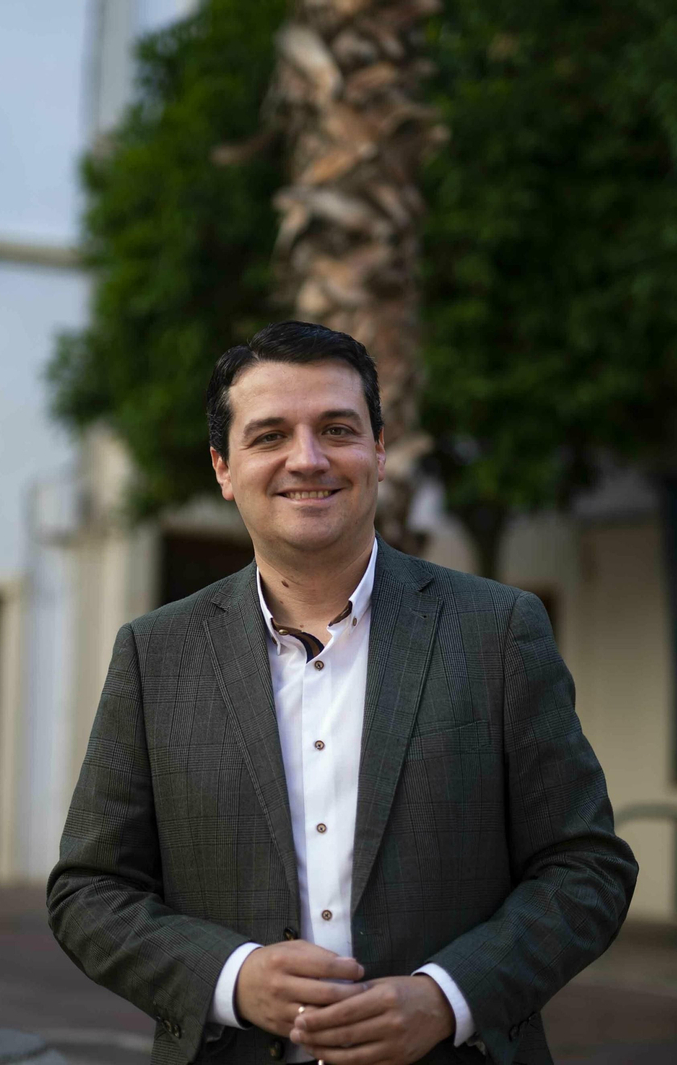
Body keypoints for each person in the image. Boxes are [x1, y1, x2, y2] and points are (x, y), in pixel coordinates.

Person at [47, 322, 637, 1065]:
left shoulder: (497, 631)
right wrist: (230, 978)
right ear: (223, 468)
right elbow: (90, 889)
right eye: (269, 435)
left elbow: (587, 867)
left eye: (337, 428)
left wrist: (447, 996)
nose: (308, 457)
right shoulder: (156, 653)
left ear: (380, 451)